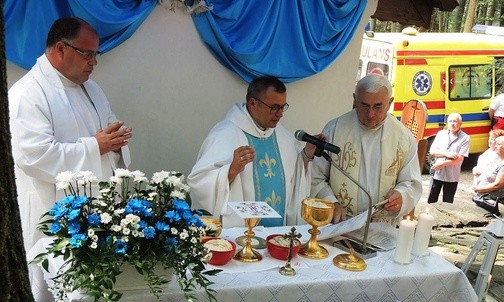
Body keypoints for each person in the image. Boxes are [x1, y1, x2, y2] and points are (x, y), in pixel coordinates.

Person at [9, 17, 132, 299]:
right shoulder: (28, 94)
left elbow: (108, 136)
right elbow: (33, 156)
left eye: (95, 54)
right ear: (61, 49)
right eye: (87, 53)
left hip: (97, 215)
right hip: (52, 213)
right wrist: (94, 147)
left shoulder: (93, 90)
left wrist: (116, 141)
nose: (94, 62)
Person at [188, 75, 320, 227]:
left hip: (276, 235)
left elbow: (295, 179)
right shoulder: (225, 134)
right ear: (252, 103)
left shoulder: (283, 136)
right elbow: (198, 182)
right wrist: (230, 171)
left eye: (283, 107)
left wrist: (305, 156)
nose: (280, 114)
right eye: (274, 107)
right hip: (239, 236)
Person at [311, 75, 422, 224]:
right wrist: (331, 203)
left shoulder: (403, 138)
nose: (370, 114)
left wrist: (401, 196)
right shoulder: (334, 130)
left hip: (381, 226)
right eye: (364, 105)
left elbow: (411, 182)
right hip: (340, 223)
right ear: (354, 100)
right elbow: (315, 177)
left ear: (389, 103)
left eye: (378, 106)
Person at [427, 113, 470, 204]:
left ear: (460, 123)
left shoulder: (465, 138)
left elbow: (459, 159)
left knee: (448, 202)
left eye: (455, 121)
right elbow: (432, 152)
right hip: (437, 173)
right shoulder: (441, 134)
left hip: (452, 175)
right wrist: (447, 154)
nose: (452, 124)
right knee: (431, 199)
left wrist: (442, 163)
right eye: (450, 121)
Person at [472, 136, 504, 216]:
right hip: (484, 199)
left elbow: (497, 185)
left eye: (498, 144)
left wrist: (478, 189)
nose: (495, 146)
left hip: (495, 204)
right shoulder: (497, 160)